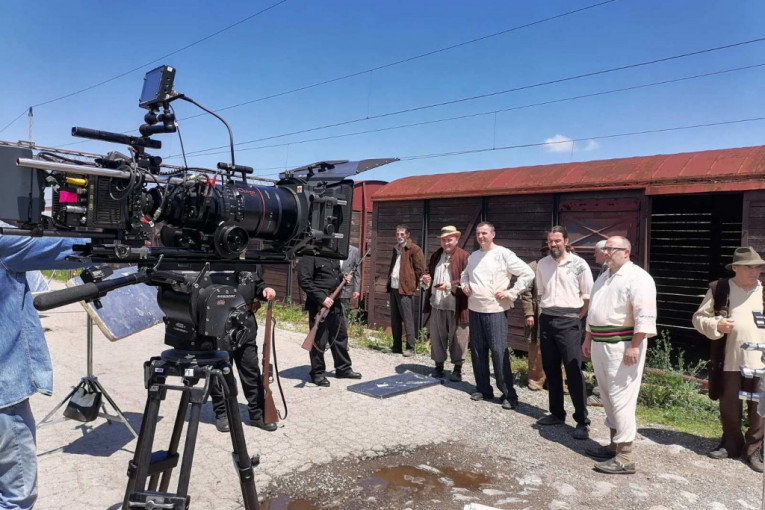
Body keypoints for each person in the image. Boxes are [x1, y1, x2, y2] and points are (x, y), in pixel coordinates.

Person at [0, 232, 89, 510]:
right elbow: (67, 249)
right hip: (4, 397)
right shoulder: (4, 239)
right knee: (16, 497)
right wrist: (123, 239)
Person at [583, 235, 657, 475]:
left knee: (621, 397)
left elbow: (644, 314)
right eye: (604, 249)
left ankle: (625, 456)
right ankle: (614, 444)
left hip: (622, 344)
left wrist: (635, 345)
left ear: (625, 251)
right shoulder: (604, 276)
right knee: (606, 395)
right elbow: (594, 310)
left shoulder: (638, 277)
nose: (605, 253)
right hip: (600, 342)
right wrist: (588, 338)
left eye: (610, 249)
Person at [692, 246, 765, 473]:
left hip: (761, 362)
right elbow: (698, 318)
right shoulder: (721, 289)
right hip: (730, 359)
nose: (755, 272)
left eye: (758, 268)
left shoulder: (764, 290)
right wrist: (717, 324)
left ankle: (754, 450)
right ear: (735, 268)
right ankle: (731, 444)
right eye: (749, 268)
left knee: (760, 410)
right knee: (729, 406)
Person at [460, 222, 534, 410]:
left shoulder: (503, 254)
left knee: (499, 352)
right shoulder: (474, 256)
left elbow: (527, 273)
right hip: (475, 308)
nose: (481, 236)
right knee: (477, 350)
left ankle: (509, 394)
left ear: (493, 234)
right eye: (478, 233)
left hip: (495, 310)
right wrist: (465, 285)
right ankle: (483, 389)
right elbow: (464, 275)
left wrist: (511, 292)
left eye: (484, 233)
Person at [535, 226, 594, 440]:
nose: (553, 245)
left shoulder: (579, 265)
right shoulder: (543, 264)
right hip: (547, 319)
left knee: (572, 368)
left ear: (566, 241)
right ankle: (557, 413)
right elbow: (540, 293)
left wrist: (577, 317)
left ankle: (582, 421)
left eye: (557, 241)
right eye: (550, 241)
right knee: (551, 368)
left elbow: (588, 296)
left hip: (569, 321)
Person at [211, 270, 278, 434]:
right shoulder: (213, 266)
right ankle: (223, 413)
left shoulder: (247, 265)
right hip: (218, 325)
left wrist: (265, 289)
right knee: (220, 373)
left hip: (245, 325)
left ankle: (257, 414)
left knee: (251, 371)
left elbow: (258, 284)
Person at [298, 255, 362, 386]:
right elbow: (304, 281)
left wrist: (343, 278)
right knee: (319, 340)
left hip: (335, 302)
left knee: (340, 336)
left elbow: (334, 277)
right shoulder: (309, 255)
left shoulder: (332, 255)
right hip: (319, 304)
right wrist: (322, 298)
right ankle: (317, 373)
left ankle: (343, 369)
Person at [421, 226, 470, 381]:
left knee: (459, 338)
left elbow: (468, 279)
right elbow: (427, 273)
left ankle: (457, 369)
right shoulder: (436, 255)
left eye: (449, 240)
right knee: (437, 337)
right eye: (443, 240)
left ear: (457, 239)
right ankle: (438, 367)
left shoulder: (464, 256)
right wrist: (426, 280)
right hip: (437, 303)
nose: (446, 243)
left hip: (457, 305)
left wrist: (450, 285)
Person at [386, 225, 425, 356]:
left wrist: (413, 285)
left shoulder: (414, 249)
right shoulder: (396, 249)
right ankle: (396, 346)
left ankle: (410, 347)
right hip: (394, 287)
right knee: (395, 319)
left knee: (407, 319)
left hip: (405, 289)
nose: (399, 236)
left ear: (408, 235)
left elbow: (419, 269)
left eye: (402, 234)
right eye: (398, 234)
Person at [520, 241, 549, 391]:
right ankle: (536, 380)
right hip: (537, 312)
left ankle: (557, 381)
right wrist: (529, 313)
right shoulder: (533, 267)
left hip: (555, 312)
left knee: (557, 347)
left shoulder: (561, 266)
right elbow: (526, 293)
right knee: (535, 347)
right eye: (547, 250)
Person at [339, 244, 361, 321]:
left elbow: (357, 272)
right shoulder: (334, 248)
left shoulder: (354, 251)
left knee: (344, 312)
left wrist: (356, 290)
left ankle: (343, 328)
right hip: (333, 286)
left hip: (346, 288)